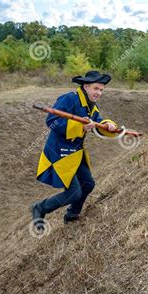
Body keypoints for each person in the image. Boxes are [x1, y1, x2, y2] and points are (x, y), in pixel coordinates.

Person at [31, 70, 117, 230]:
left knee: (88, 184)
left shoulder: (91, 106)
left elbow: (98, 121)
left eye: (101, 90)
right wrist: (80, 127)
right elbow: (52, 120)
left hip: (76, 154)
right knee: (74, 192)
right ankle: (39, 208)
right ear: (85, 86)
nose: (99, 93)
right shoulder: (69, 99)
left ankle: (71, 215)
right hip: (59, 153)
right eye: (96, 89)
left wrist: (108, 125)